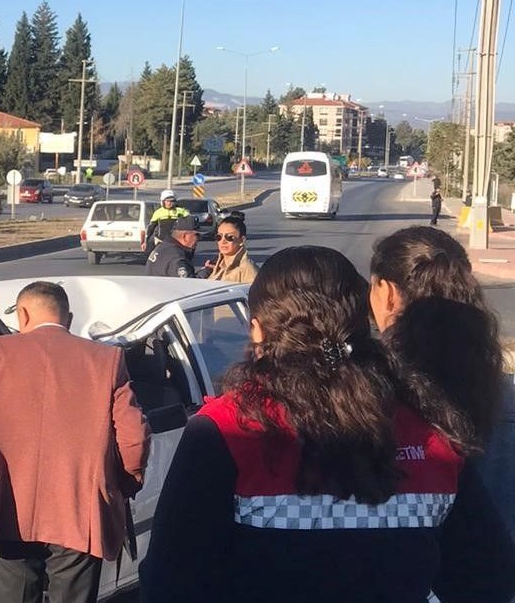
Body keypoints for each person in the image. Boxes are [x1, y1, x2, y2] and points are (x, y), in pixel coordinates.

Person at [139, 246, 515, 603]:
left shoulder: (224, 429)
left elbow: (171, 580)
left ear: (257, 330)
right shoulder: (431, 426)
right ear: (362, 325)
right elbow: (487, 576)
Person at [0, 282, 150, 603]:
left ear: (22, 314)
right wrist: (121, 485)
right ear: (69, 318)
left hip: (10, 503)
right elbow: (135, 439)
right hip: (79, 509)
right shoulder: (106, 360)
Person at [370, 226, 515, 541]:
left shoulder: (364, 394)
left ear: (387, 293)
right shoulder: (505, 396)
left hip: (405, 581)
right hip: (495, 581)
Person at [197, 213, 257, 283]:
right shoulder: (215, 266)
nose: (223, 241)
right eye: (219, 237)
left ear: (242, 240)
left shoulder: (247, 269)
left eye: (230, 237)